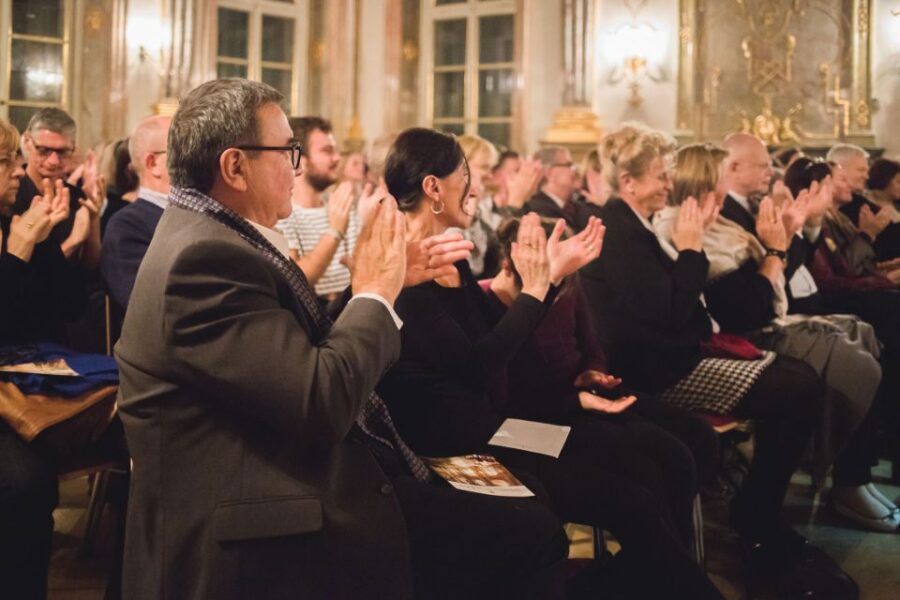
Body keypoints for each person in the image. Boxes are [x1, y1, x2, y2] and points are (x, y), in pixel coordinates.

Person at [115, 79, 568, 600]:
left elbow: (289, 351)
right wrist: (374, 293)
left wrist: (384, 289)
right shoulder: (202, 260)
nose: (298, 166)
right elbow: (320, 399)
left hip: (289, 466)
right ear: (235, 167)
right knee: (532, 534)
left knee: (524, 509)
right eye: (287, 151)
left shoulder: (213, 237)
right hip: (265, 511)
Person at [379, 127, 723, 599]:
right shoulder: (399, 268)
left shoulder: (452, 256)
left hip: (500, 427)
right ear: (433, 187)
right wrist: (537, 288)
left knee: (649, 472)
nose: (477, 188)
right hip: (460, 448)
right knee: (632, 503)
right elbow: (479, 365)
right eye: (466, 176)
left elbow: (496, 331)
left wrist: (548, 278)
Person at [582, 122, 855, 598]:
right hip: (658, 375)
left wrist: (693, 246)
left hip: (675, 358)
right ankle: (755, 511)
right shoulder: (621, 232)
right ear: (629, 183)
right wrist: (691, 249)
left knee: (798, 379)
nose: (669, 185)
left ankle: (758, 507)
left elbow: (675, 309)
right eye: (659, 176)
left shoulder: (635, 224)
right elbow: (668, 311)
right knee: (796, 388)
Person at [656, 143, 897, 533]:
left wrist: (789, 236)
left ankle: (854, 478)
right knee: (847, 364)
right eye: (720, 178)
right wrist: (777, 246)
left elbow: (772, 278)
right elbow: (744, 305)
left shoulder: (723, 221)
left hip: (762, 318)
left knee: (863, 333)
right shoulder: (682, 227)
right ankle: (832, 482)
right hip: (740, 333)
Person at [489, 216, 720, 550]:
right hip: (547, 415)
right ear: (510, 267)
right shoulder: (492, 304)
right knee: (656, 467)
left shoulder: (569, 284)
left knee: (697, 439)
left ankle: (678, 562)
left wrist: (593, 372)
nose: (554, 287)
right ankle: (668, 564)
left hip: (586, 393)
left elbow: (591, 344)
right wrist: (575, 398)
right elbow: (510, 398)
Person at [0, 118, 83, 600]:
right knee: (27, 485)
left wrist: (45, 239)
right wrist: (15, 256)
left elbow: (70, 306)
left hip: (21, 386)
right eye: (10, 160)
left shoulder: (13, 220)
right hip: (10, 395)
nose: (20, 172)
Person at [275, 117, 362, 301]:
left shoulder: (343, 206)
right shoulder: (283, 214)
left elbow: (363, 272)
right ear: (299, 159)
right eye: (327, 151)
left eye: (336, 150)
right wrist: (335, 231)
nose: (337, 158)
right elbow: (295, 284)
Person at [100, 116, 172, 318]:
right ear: (153, 163)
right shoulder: (127, 225)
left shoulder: (204, 213)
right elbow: (148, 306)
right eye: (183, 149)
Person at [15, 108, 103, 268]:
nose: (53, 161)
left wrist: (94, 218)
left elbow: (91, 269)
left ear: (73, 148)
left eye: (63, 151)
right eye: (44, 150)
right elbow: (17, 270)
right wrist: (72, 242)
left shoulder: (77, 196)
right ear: (27, 142)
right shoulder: (12, 193)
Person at [829, 144, 900, 260]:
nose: (867, 176)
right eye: (861, 170)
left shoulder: (856, 202)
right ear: (838, 168)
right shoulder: (848, 206)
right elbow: (846, 262)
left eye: (867, 171)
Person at [525, 145, 594, 231]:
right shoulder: (539, 211)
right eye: (569, 165)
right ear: (550, 173)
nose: (575, 170)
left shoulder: (576, 206)